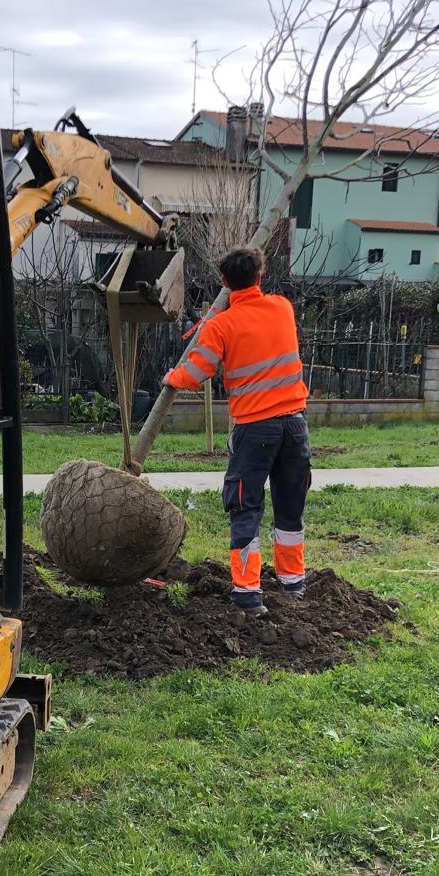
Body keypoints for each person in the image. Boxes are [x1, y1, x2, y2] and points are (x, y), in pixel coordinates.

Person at [163, 246, 310, 616]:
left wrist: (172, 376)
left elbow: (196, 375)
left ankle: (248, 593)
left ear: (223, 282)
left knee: (245, 507)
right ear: (260, 276)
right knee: (290, 509)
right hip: (295, 426)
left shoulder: (221, 325)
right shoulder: (282, 308)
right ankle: (293, 583)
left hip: (254, 431)